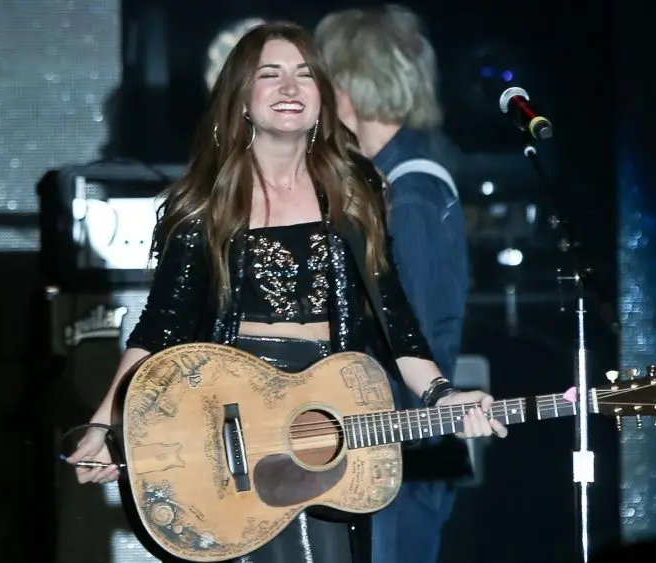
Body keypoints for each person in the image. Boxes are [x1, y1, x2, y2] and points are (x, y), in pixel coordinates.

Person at [66, 21, 507, 563]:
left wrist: (444, 394)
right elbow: (160, 328)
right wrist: (108, 419)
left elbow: (397, 322)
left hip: (325, 415)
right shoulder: (206, 205)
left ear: (324, 99)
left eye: (304, 74)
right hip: (229, 415)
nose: (290, 87)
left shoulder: (354, 193)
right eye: (270, 74)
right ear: (243, 100)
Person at [315, 6, 471, 563]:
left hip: (405, 457)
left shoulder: (411, 195)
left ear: (348, 88)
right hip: (388, 452)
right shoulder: (387, 181)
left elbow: (419, 334)